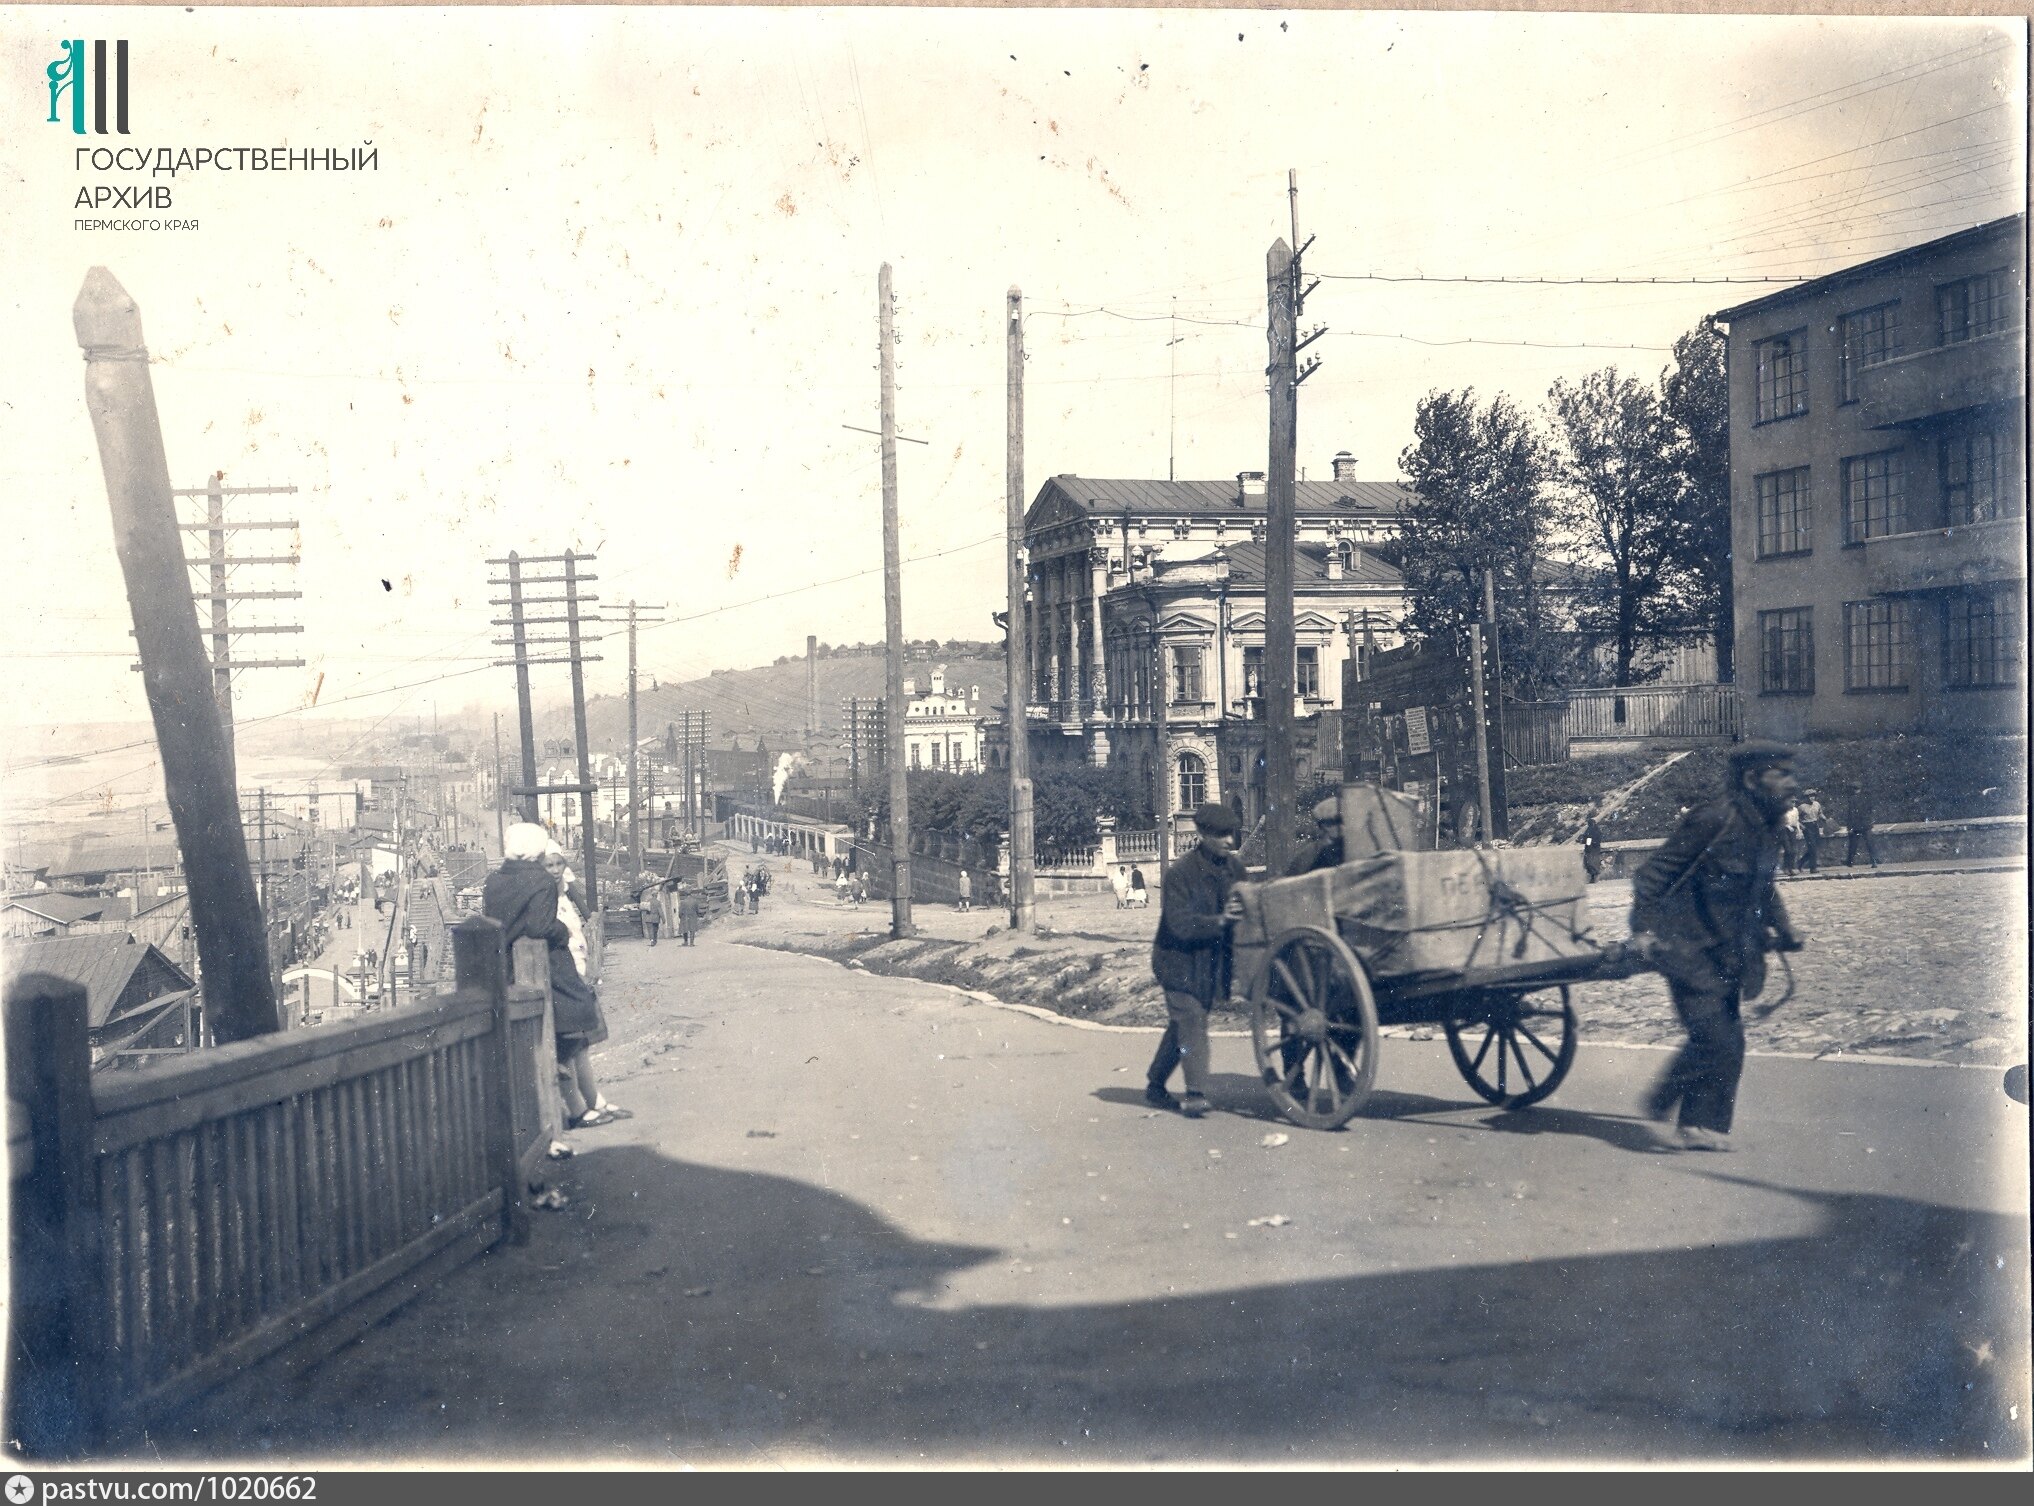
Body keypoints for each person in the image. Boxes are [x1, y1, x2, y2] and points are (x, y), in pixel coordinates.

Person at [1628, 741, 1805, 1152]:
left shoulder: (1765, 825)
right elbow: (1651, 876)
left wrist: (1785, 928)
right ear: (1751, 778)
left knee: (1730, 1040)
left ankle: (1701, 1126)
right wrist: (1643, 930)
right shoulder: (1714, 819)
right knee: (1714, 1037)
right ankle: (1659, 1102)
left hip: (1730, 950)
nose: (1792, 783)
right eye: (1782, 773)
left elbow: (1764, 888)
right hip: (1686, 945)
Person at [485, 825, 619, 1130]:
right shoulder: (540, 880)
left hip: (508, 966)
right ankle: (577, 1109)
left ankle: (582, 1105)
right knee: (572, 1028)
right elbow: (541, 927)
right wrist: (563, 930)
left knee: (557, 1039)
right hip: (546, 966)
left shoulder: (494, 880)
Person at [1145, 803, 1247, 1119]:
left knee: (1182, 1025)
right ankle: (1195, 1093)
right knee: (1191, 1019)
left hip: (1208, 965)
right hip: (1176, 961)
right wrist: (1221, 920)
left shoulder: (1236, 869)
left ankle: (1155, 1083)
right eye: (1221, 835)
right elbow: (1178, 924)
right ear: (1203, 834)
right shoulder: (1180, 874)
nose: (1230, 841)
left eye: (1233, 833)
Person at [1287, 795, 1345, 875]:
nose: (1342, 827)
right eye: (1336, 822)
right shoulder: (1309, 853)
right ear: (1324, 826)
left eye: (1345, 822)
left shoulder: (1352, 848)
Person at [1843, 782, 1881, 868]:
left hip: (1856, 825)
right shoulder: (1866, 798)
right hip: (1866, 824)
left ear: (1853, 789)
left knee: (1853, 844)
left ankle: (1850, 862)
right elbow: (1871, 810)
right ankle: (1874, 861)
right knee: (1869, 843)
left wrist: (1849, 827)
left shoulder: (1852, 799)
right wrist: (1871, 821)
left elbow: (1850, 814)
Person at [1794, 789, 1824, 873]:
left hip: (1815, 826)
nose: (1812, 798)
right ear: (1806, 797)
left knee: (1815, 846)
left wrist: (1824, 818)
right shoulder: (1802, 807)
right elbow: (1796, 819)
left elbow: (1820, 813)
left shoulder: (1817, 804)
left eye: (1813, 796)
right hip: (1807, 827)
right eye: (1810, 796)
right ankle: (1813, 868)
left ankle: (1800, 862)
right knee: (1812, 847)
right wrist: (1802, 826)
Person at [1779, 800, 1803, 877]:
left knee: (1794, 850)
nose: (1792, 804)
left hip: (1793, 830)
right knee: (1788, 849)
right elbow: (1781, 822)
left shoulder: (1795, 810)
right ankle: (1786, 868)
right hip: (1784, 830)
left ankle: (1791, 868)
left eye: (1794, 802)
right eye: (1791, 802)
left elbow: (1797, 821)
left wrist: (1799, 830)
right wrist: (1788, 826)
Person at [1580, 813, 1605, 883]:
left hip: (1591, 849)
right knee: (1589, 863)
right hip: (1593, 849)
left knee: (1589, 863)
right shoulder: (1594, 830)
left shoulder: (1591, 830)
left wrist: (1588, 845)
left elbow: (1589, 839)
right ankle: (1593, 876)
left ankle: (1594, 876)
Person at [677, 881, 701, 946]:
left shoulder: (683, 902)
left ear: (685, 894)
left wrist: (680, 916)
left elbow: (680, 911)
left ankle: (685, 942)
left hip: (685, 916)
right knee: (692, 929)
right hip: (693, 916)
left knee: (685, 929)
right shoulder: (695, 901)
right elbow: (697, 910)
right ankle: (692, 942)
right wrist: (697, 915)